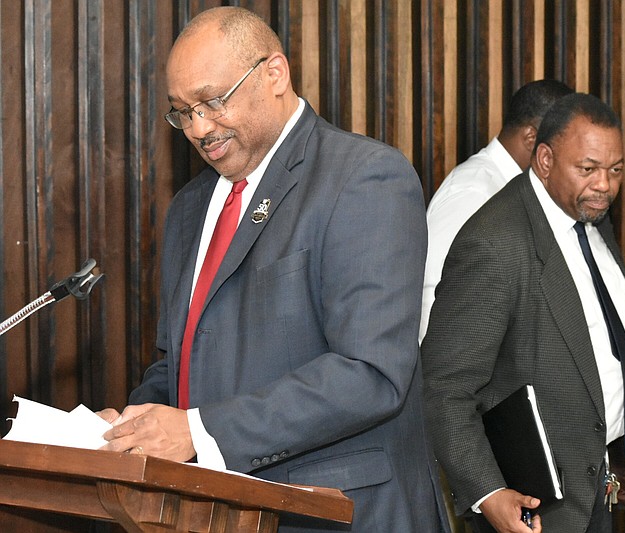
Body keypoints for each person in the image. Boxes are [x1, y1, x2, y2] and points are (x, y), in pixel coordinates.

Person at [97, 7, 449, 533]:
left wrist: (200, 430)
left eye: (213, 101)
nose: (199, 128)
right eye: (182, 111)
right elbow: (182, 363)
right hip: (214, 512)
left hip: (337, 514)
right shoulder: (189, 209)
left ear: (275, 73)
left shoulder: (363, 178)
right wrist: (133, 425)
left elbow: (370, 373)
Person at [421, 93, 625, 533]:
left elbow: (596, 333)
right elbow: (443, 387)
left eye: (615, 170)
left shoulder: (589, 217)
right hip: (532, 505)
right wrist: (489, 495)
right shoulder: (494, 241)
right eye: (588, 168)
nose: (605, 185)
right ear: (544, 159)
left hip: (596, 484)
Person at [420, 80, 573, 341]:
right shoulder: (471, 194)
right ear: (531, 139)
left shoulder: (520, 189)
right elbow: (432, 304)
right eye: (568, 147)